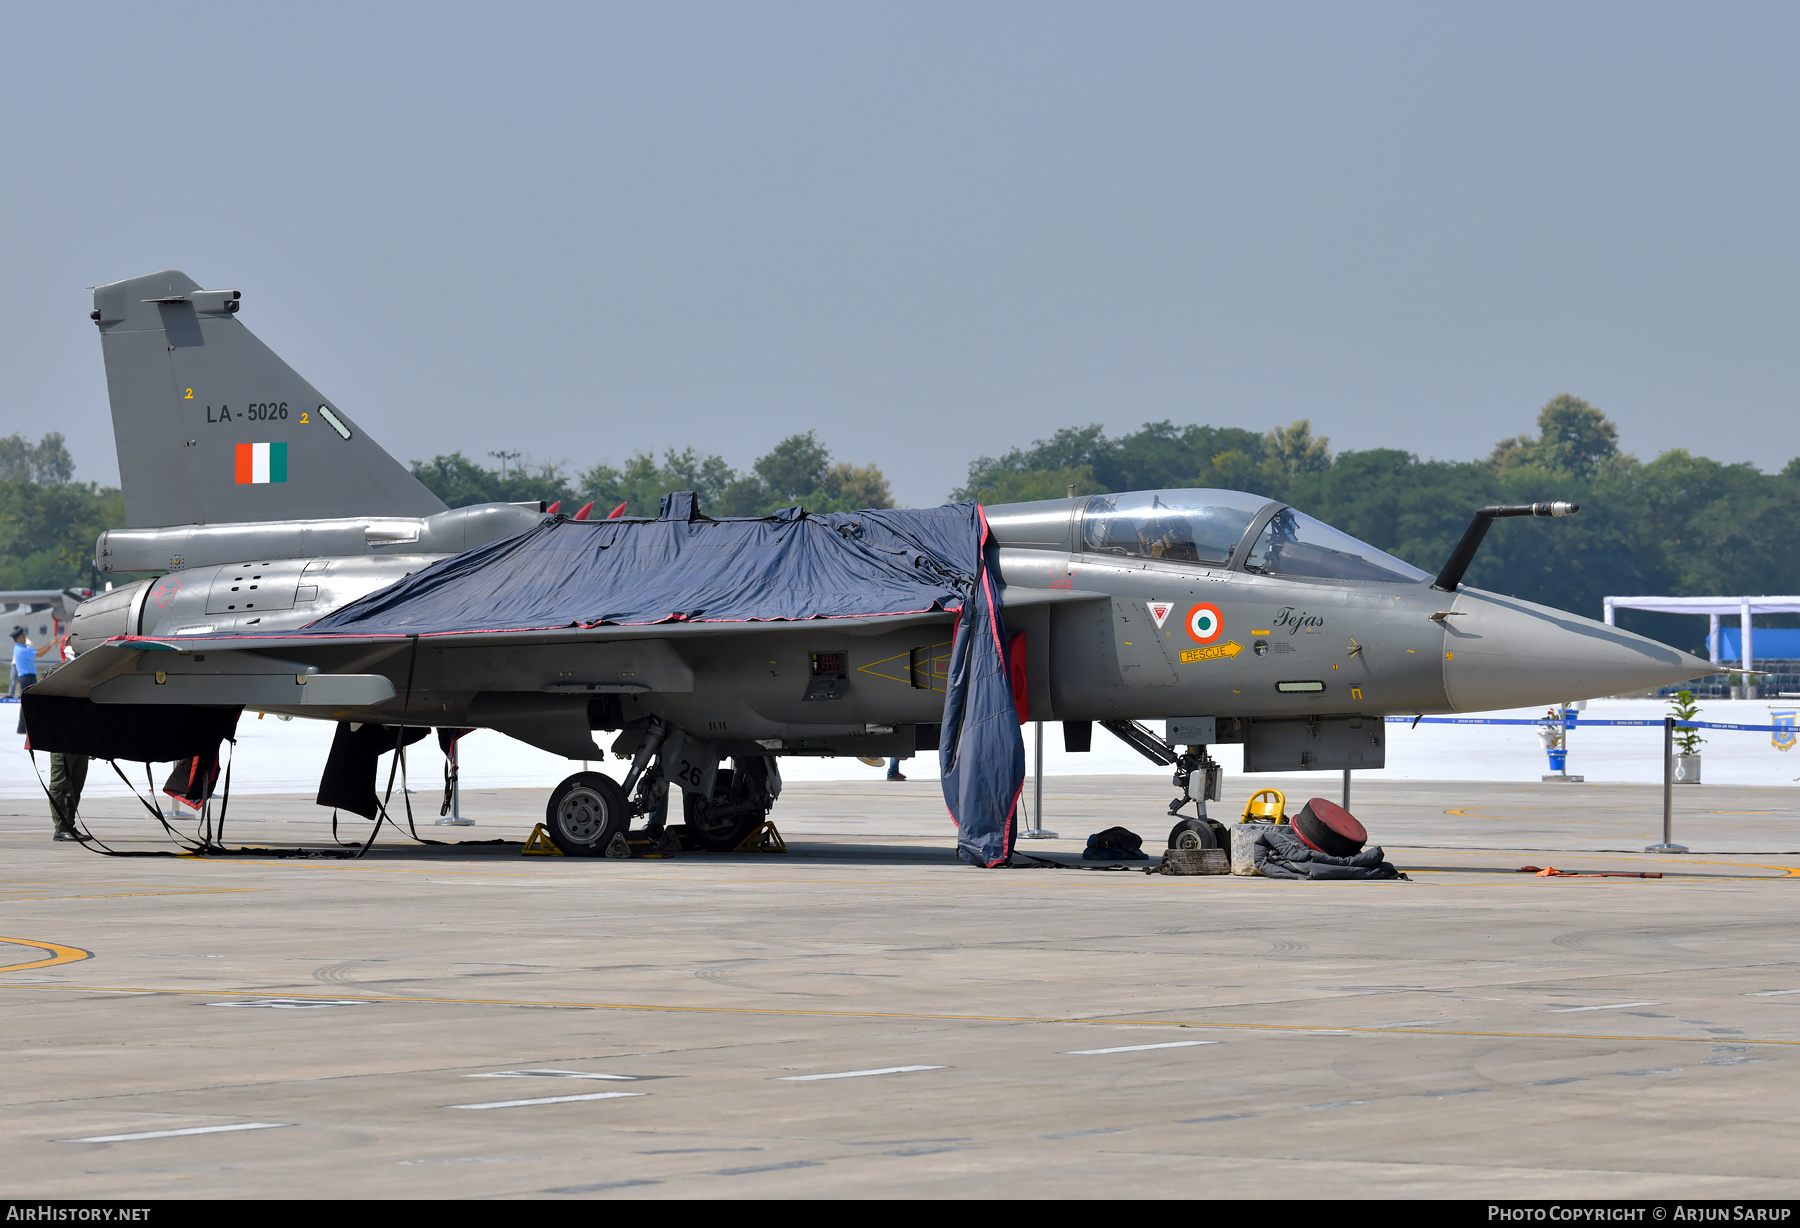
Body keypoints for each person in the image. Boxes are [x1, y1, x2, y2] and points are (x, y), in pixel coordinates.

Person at [48, 752, 89, 842]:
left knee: (75, 788)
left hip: (81, 746)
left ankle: (69, 826)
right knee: (59, 787)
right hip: (62, 747)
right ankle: (61, 828)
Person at [11, 626, 36, 735]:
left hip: (28, 677)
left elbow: (36, 651)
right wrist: (50, 645)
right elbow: (38, 654)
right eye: (22, 636)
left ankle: (24, 727)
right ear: (19, 638)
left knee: (28, 702)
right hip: (26, 678)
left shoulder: (22, 647)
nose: (24, 637)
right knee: (27, 702)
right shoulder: (20, 649)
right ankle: (22, 727)